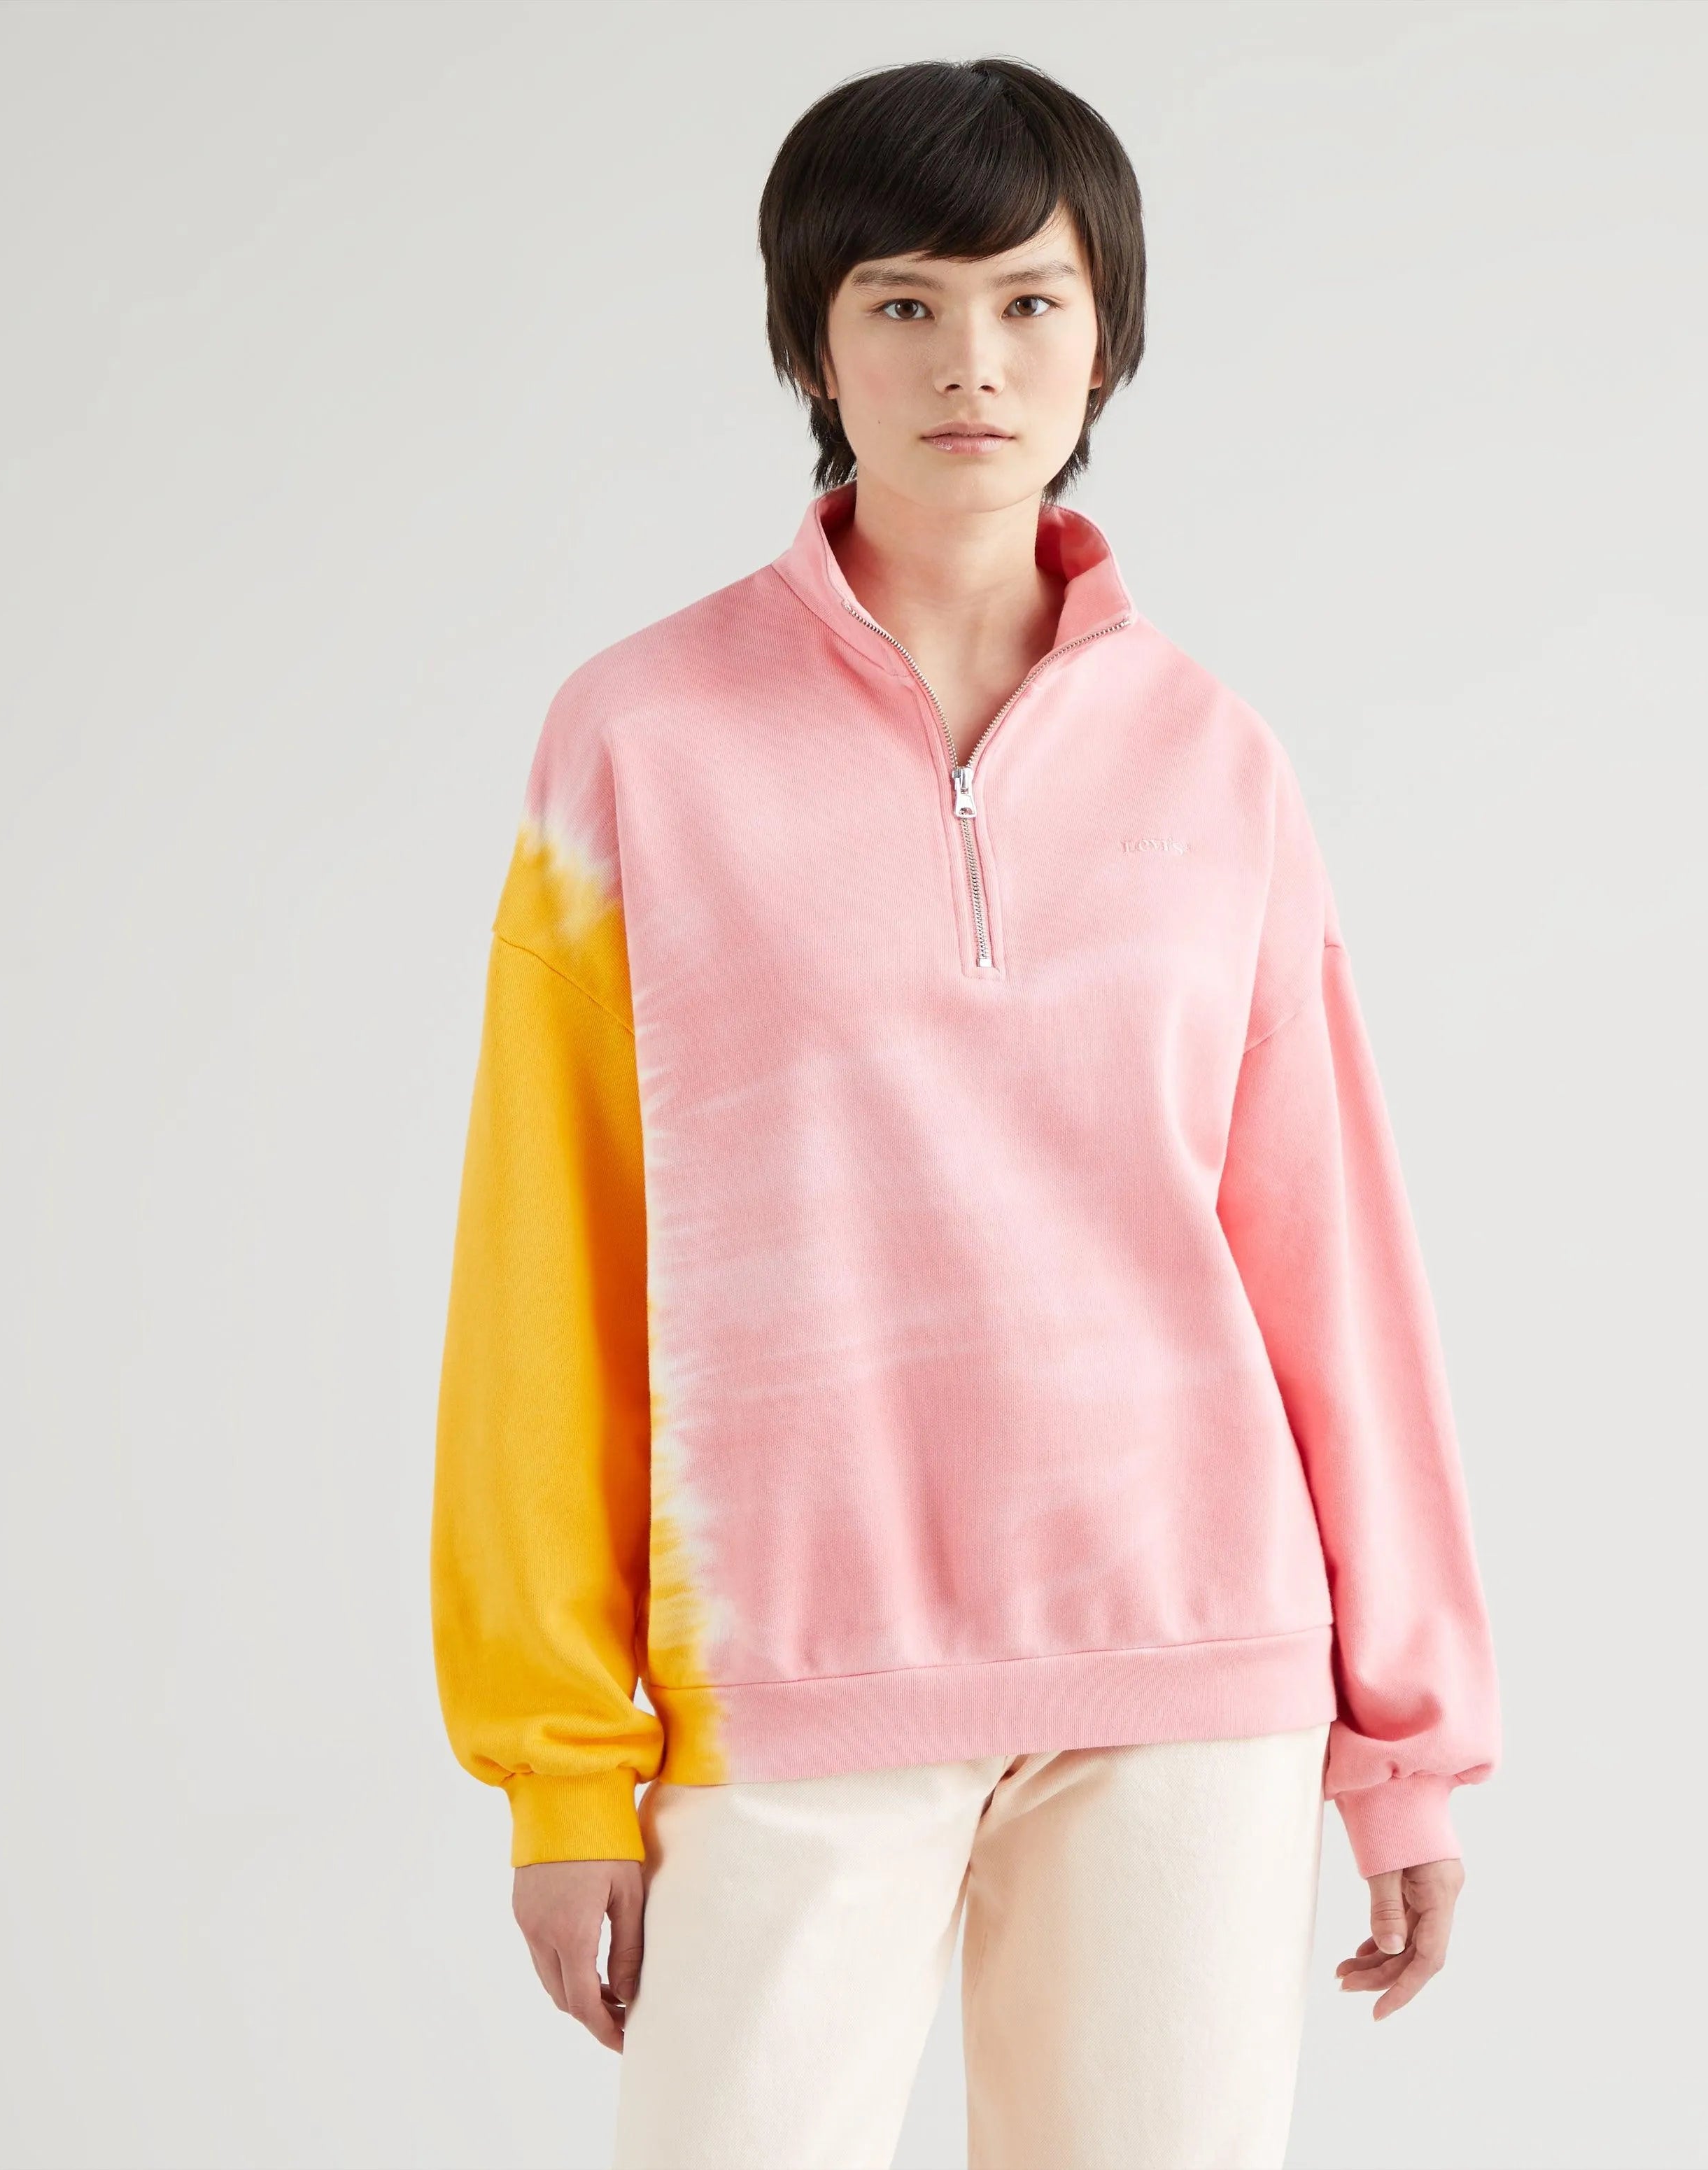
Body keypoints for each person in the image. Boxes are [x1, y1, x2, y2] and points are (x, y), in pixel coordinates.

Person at [430, 55, 1499, 2170]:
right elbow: (548, 1264)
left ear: (1107, 335)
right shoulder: (637, 740)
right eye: (902, 303)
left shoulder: (1218, 761)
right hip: (789, 1676)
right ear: (810, 342)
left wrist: (1407, 1741)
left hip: (1189, 1667)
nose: (970, 362)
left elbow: (1330, 1260)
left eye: (1029, 301)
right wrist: (565, 1767)